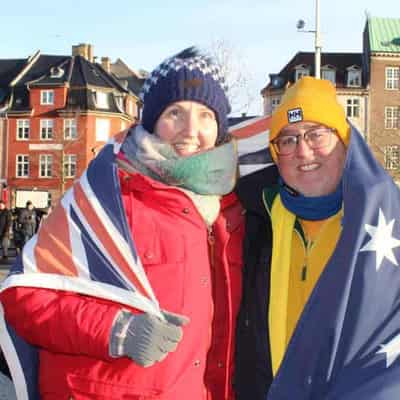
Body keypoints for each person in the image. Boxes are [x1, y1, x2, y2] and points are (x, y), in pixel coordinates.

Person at [0, 47, 244, 400]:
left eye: (205, 115)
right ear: (151, 120)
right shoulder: (105, 199)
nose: (191, 130)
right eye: (175, 112)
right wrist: (117, 330)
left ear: (219, 126)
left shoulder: (229, 209)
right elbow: (24, 297)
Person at [235, 76, 400, 399]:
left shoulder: (386, 225)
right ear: (275, 154)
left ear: (344, 141)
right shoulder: (251, 222)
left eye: (317, 135)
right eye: (288, 139)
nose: (303, 151)